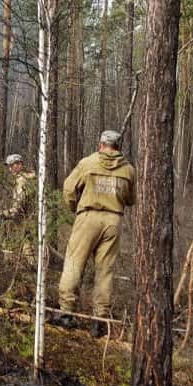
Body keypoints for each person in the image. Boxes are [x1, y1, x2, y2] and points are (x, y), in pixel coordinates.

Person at [52, 130, 135, 337]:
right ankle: (99, 320)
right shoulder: (129, 170)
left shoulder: (87, 163)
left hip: (88, 216)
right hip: (113, 221)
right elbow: (131, 199)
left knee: (74, 263)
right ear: (118, 147)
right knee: (105, 271)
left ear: (101, 144)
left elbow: (69, 188)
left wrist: (75, 209)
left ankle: (66, 313)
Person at [0, 154, 37, 266]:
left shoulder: (22, 181)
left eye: (12, 166)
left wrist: (3, 214)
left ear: (19, 165)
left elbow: (18, 206)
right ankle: (30, 268)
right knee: (26, 244)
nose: (10, 169)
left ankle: (32, 270)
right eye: (9, 166)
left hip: (25, 219)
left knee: (23, 245)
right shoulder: (28, 178)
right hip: (29, 218)